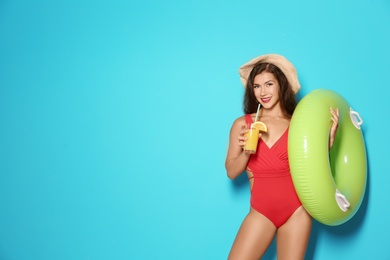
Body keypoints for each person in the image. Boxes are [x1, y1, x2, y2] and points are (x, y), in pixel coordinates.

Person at [225, 54, 339, 259]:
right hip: (261, 212)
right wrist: (246, 153)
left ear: (281, 85)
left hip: (297, 212)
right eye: (257, 86)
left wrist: (328, 143)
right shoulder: (243, 124)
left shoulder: (298, 125)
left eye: (269, 84)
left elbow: (313, 168)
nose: (263, 92)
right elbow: (231, 172)